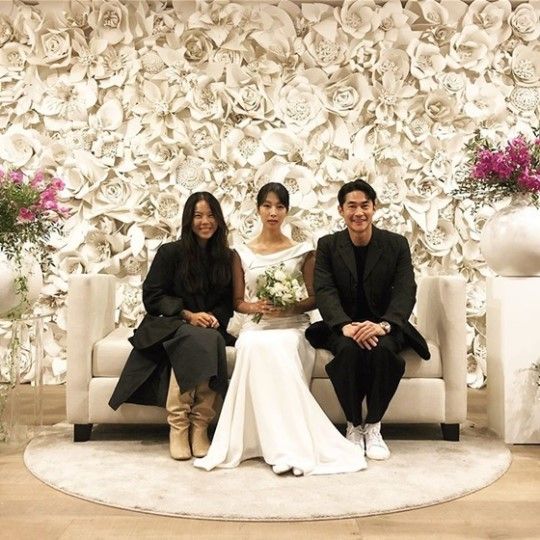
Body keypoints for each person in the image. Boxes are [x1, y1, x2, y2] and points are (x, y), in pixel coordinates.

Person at [194, 182, 366, 476]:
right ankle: (271, 445)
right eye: (267, 206)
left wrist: (289, 306)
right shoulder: (241, 252)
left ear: (287, 211)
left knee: (281, 346)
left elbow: (314, 298)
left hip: (291, 326)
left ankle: (291, 447)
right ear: (258, 209)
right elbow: (237, 302)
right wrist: (256, 307)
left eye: (279, 207)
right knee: (251, 346)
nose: (273, 212)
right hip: (256, 327)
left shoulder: (303, 251)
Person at [306, 179, 430, 461]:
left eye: (365, 205)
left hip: (385, 324)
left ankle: (373, 426)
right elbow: (324, 290)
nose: (359, 212)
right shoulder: (328, 245)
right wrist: (345, 326)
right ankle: (353, 425)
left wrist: (384, 325)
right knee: (347, 352)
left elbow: (405, 290)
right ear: (341, 210)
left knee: (383, 351)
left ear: (374, 207)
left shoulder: (395, 244)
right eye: (352, 206)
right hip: (344, 325)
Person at [109, 192, 234, 461]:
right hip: (173, 324)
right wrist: (188, 315)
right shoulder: (171, 253)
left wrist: (213, 317)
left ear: (219, 219)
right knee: (196, 339)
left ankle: (199, 425)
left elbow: (228, 302)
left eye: (211, 215)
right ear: (188, 220)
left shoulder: (226, 256)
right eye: (198, 215)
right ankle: (179, 426)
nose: (205, 221)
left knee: (210, 338)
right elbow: (152, 296)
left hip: (208, 328)